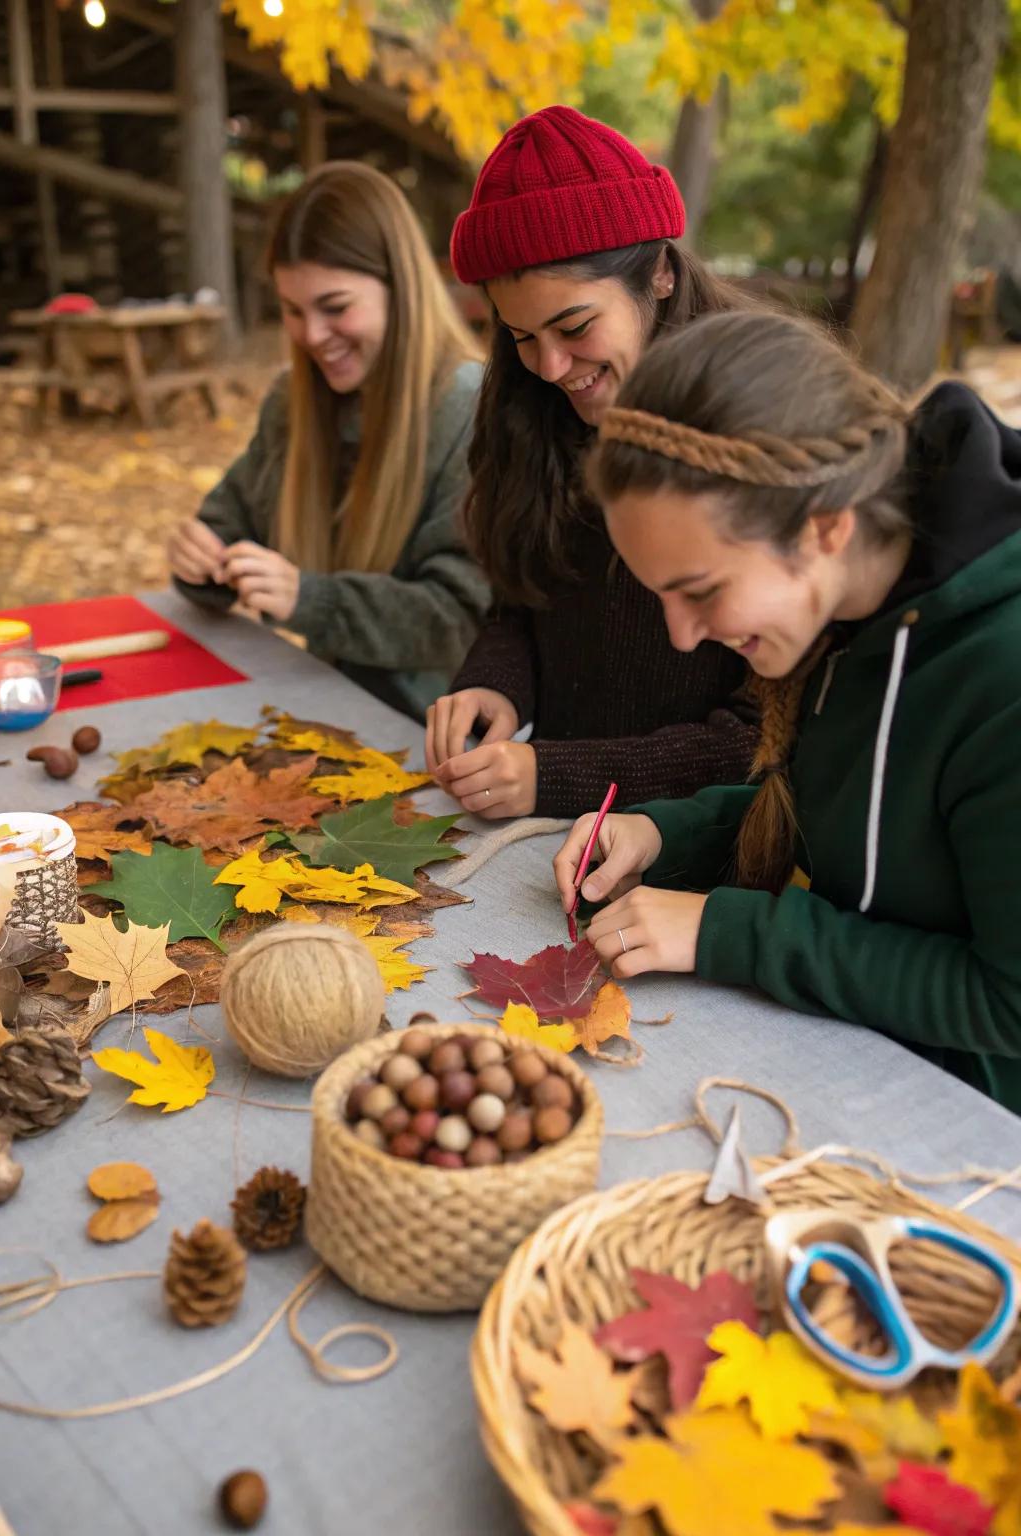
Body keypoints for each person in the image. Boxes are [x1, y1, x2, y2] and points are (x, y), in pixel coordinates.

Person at [553, 309, 1021, 1110]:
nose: (682, 633)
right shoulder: (851, 611)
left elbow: (1006, 1004)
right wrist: (671, 832)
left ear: (827, 528)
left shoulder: (1000, 675)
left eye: (701, 591)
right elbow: (856, 819)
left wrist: (728, 933)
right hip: (841, 1057)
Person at [424, 106, 758, 819]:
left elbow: (764, 738)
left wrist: (557, 774)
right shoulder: (536, 412)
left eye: (575, 327)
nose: (549, 366)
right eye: (521, 336)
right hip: (556, 838)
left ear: (660, 274)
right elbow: (523, 595)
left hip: (709, 858)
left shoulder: (755, 431)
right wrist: (495, 685)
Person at [168, 161, 487, 721]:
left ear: (400, 287)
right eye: (293, 311)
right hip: (319, 709)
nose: (312, 336)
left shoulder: (469, 408)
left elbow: (459, 619)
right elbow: (231, 519)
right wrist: (203, 561)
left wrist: (309, 600)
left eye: (335, 308)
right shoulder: (294, 402)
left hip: (436, 741)